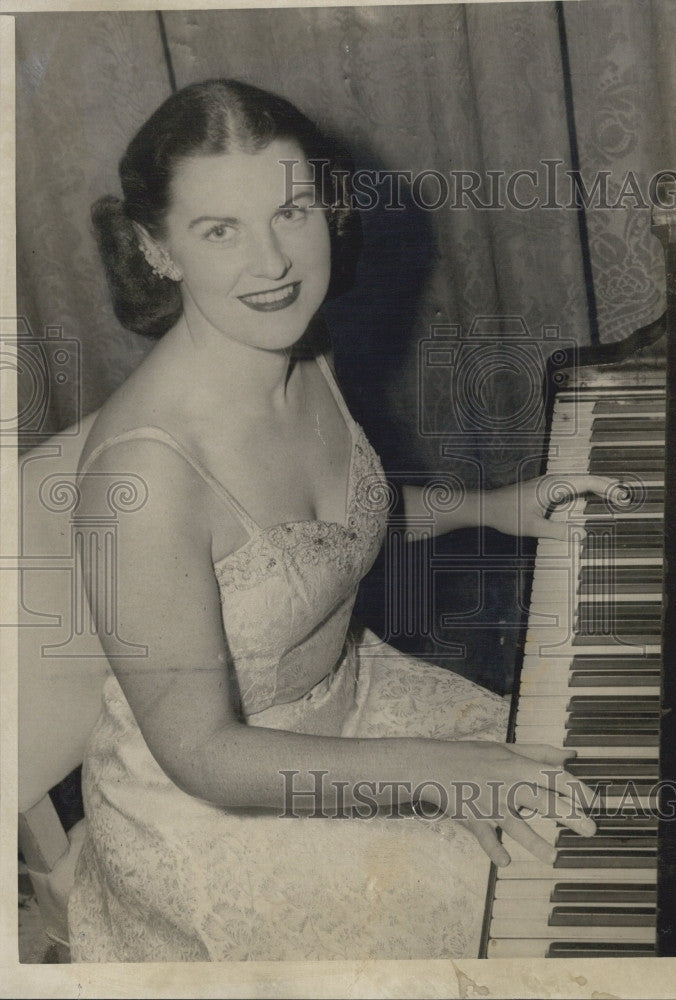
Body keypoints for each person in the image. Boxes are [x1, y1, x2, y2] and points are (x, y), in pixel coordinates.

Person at [68, 79, 612, 962]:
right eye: (219, 230)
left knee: (583, 775)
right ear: (155, 248)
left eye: (292, 212)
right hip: (216, 808)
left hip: (355, 705)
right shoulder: (146, 474)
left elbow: (330, 532)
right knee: (542, 906)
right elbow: (203, 754)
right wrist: (437, 775)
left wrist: (496, 509)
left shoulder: (302, 348)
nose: (273, 263)